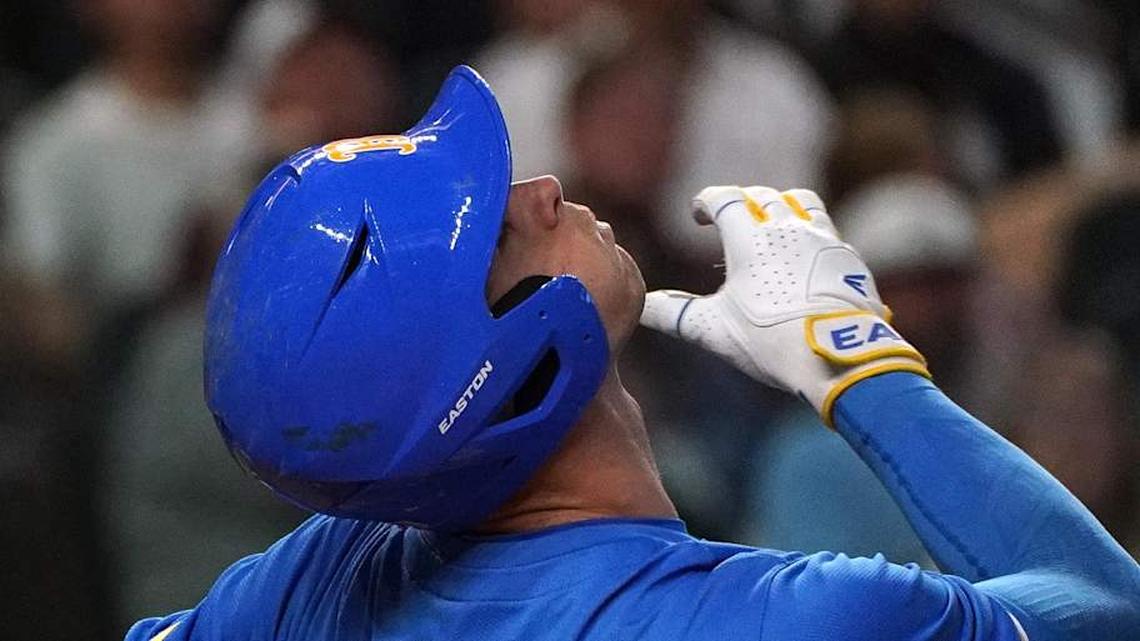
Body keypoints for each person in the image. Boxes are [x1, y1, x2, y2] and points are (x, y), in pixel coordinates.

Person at [126, 67, 1138, 641]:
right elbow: (1105, 603)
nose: (544, 189)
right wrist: (864, 367)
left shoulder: (326, 578)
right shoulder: (796, 621)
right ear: (510, 366)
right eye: (503, 233)